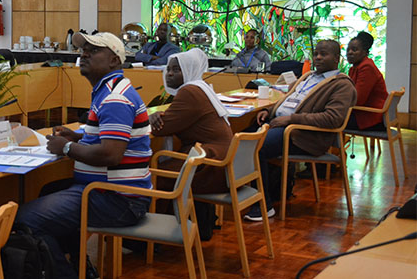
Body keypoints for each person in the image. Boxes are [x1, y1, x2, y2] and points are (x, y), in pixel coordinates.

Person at [16, 32, 151, 278]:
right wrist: (78, 138)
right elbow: (108, 137)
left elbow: (111, 154)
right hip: (110, 193)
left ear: (114, 61)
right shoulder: (108, 90)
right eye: (83, 49)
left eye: (93, 50)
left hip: (117, 199)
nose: (84, 54)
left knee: (25, 220)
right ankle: (81, 268)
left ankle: (67, 273)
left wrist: (66, 148)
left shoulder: (115, 98)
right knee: (48, 191)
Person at [243, 40, 356, 222]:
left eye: (323, 54)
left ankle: (263, 205)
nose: (318, 57)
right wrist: (269, 111)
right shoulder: (307, 77)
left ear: (336, 58)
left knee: (256, 146)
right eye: (316, 53)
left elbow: (332, 119)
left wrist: (290, 119)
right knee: (238, 138)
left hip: (302, 135)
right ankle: (246, 194)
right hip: (281, 126)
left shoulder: (342, 85)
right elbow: (288, 101)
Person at [150, 48, 233, 197]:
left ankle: (169, 219)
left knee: (154, 176)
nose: (169, 74)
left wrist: (151, 118)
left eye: (176, 70)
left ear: (189, 71)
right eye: (168, 69)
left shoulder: (189, 92)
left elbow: (160, 128)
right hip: (224, 162)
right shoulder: (199, 87)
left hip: (211, 165)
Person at [345, 32, 387, 131]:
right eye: (348, 50)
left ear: (365, 52)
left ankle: (335, 146)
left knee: (328, 120)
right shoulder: (354, 67)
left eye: (354, 50)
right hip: (362, 113)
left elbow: (358, 99)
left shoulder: (367, 67)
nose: (350, 52)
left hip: (370, 117)